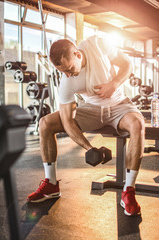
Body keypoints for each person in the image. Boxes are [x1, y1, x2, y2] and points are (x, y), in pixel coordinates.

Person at [27, 35, 145, 216]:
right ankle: (51, 183)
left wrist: (113, 84)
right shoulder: (67, 81)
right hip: (90, 110)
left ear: (77, 54)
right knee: (45, 123)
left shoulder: (97, 44)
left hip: (118, 104)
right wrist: (90, 148)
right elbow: (67, 121)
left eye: (69, 69)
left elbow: (127, 64)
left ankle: (128, 190)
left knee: (137, 124)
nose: (67, 74)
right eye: (62, 71)